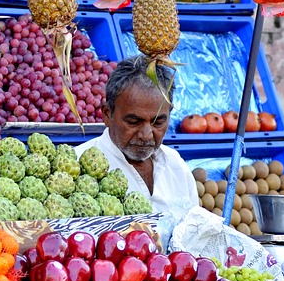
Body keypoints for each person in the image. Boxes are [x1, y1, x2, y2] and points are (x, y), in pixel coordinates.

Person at [77, 55, 197, 219]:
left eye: (158, 122)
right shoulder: (76, 168)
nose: (146, 135)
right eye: (133, 121)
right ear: (107, 114)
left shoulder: (175, 165)